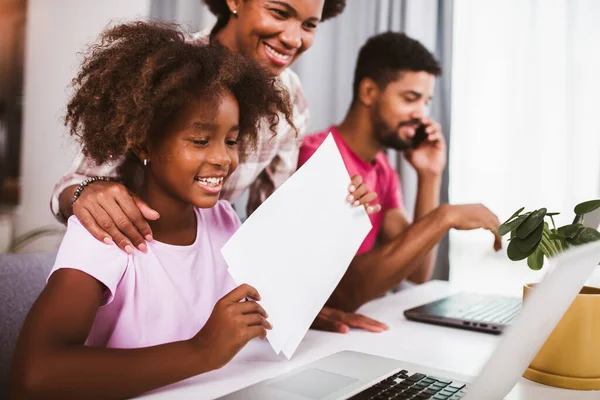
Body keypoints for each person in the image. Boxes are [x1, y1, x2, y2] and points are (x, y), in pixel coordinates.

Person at [48, 0, 388, 334]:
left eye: (309, 25)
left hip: (205, 282)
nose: (293, 38)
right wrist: (85, 192)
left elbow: (271, 225)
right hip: (134, 271)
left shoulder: (289, 97)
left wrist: (334, 215)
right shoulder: (164, 69)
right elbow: (73, 184)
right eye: (279, 12)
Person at [10, 22, 307, 398]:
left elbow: (259, 309)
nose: (222, 158)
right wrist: (201, 351)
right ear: (143, 144)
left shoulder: (223, 220)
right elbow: (32, 375)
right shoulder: (106, 230)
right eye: (200, 140)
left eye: (231, 140)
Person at [299, 32, 503, 313]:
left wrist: (430, 175)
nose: (422, 113)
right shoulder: (317, 157)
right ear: (369, 92)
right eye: (411, 98)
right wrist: (445, 216)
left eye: (426, 102)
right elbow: (341, 292)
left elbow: (417, 272)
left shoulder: (382, 170)